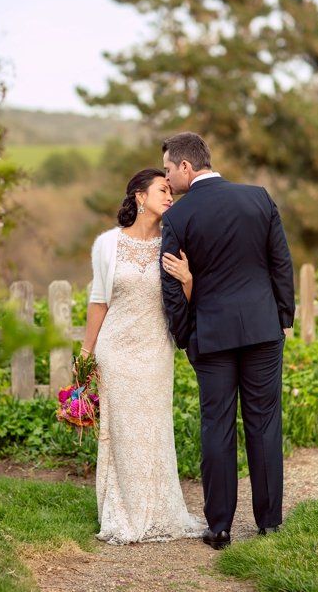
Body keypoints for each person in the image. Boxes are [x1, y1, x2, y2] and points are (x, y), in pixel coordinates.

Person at [159, 132, 295, 550]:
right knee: (265, 422)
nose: (167, 178)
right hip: (262, 330)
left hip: (212, 335)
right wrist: (283, 318)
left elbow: (169, 283)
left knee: (216, 426)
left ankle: (218, 527)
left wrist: (184, 335)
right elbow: (280, 262)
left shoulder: (179, 218)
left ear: (186, 166)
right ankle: (269, 522)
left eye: (167, 169)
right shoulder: (258, 198)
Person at [81, 168, 205, 545]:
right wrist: (87, 352)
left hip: (155, 349)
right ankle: (122, 512)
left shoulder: (174, 242)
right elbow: (99, 301)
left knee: (152, 430)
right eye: (163, 190)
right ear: (139, 196)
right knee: (119, 432)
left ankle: (159, 511)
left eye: (172, 191)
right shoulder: (107, 244)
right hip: (115, 350)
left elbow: (186, 304)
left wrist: (187, 279)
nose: (170, 197)